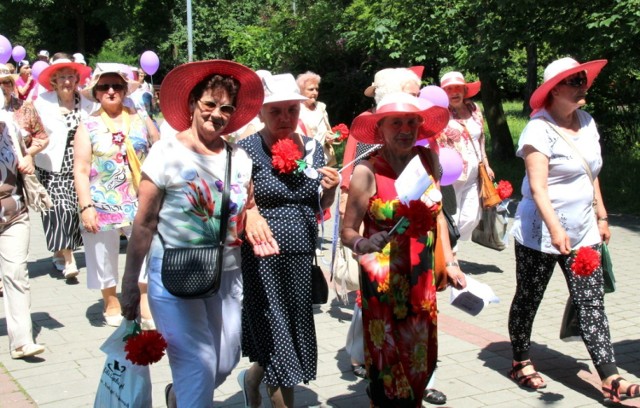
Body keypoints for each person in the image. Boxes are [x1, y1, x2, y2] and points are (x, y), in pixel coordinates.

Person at [120, 59, 265, 407]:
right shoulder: (165, 153)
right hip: (174, 274)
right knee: (198, 367)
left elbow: (248, 204)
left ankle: (178, 395)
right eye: (209, 104)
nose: (217, 114)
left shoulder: (238, 157)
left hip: (226, 274)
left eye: (226, 108)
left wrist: (256, 218)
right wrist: (129, 283)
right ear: (192, 105)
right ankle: (188, 395)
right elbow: (144, 223)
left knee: (226, 359)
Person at [508, 57, 640, 402]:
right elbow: (538, 188)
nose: (583, 85)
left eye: (584, 79)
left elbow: (590, 172)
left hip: (584, 230)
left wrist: (602, 215)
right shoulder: (537, 129)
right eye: (574, 81)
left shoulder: (587, 121)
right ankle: (520, 359)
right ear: (553, 90)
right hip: (540, 230)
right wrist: (554, 229)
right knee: (529, 297)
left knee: (591, 301)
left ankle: (610, 377)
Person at [341, 92, 466, 407]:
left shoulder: (428, 161)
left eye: (412, 121)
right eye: (396, 122)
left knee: (421, 357)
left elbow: (437, 219)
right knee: (388, 364)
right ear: (380, 127)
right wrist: (362, 243)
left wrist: (450, 262)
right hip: (382, 285)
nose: (406, 129)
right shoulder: (367, 171)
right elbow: (347, 230)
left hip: (420, 280)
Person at [237, 73, 340, 408]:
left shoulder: (311, 149)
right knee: (276, 330)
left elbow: (319, 206)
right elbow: (236, 205)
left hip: (300, 256)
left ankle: (251, 381)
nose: (284, 119)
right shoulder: (245, 151)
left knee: (289, 329)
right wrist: (250, 213)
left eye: (290, 111)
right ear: (262, 113)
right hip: (262, 257)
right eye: (275, 111)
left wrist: (331, 189)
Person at [74, 63, 158, 327]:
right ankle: (110, 298)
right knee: (103, 253)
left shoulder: (139, 117)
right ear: (97, 93)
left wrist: (144, 115)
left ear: (125, 91)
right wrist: (86, 206)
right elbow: (81, 168)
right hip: (102, 199)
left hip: (139, 198)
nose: (111, 91)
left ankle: (144, 299)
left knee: (147, 250)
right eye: (104, 87)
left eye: (117, 86)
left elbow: (158, 145)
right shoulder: (87, 125)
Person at [33, 57, 93, 279]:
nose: (67, 81)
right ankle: (69, 260)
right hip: (52, 165)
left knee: (75, 212)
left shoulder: (87, 102)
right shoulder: (42, 102)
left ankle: (60, 251)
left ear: (77, 79)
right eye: (62, 77)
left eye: (70, 76)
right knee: (60, 209)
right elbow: (30, 129)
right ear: (54, 81)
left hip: (80, 163)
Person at [0, 106, 46, 359]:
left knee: (17, 272)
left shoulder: (11, 128)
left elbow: (40, 139)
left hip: (14, 213)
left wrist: (29, 157)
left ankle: (21, 341)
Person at [438, 71, 493, 255]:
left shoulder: (474, 108)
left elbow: (481, 138)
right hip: (451, 174)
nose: (454, 92)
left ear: (464, 90)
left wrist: (486, 162)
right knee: (452, 214)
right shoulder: (441, 114)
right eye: (449, 89)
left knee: (471, 217)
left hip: (474, 171)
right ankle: (450, 255)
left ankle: (448, 246)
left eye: (457, 88)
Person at [296, 71, 339, 166]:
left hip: (325, 158)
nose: (315, 92)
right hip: (307, 158)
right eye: (311, 89)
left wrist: (329, 135)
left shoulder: (320, 107)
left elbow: (326, 129)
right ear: (301, 91)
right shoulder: (296, 110)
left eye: (316, 89)